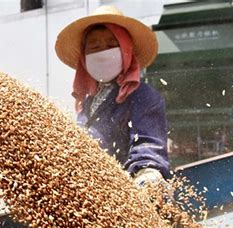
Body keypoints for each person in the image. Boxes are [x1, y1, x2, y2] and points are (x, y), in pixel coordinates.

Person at [55, 5, 170, 186]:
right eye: (94, 47)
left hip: (122, 189)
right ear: (84, 58)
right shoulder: (87, 103)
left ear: (126, 51)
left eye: (111, 45)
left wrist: (146, 172)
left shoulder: (142, 96)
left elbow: (148, 144)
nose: (102, 53)